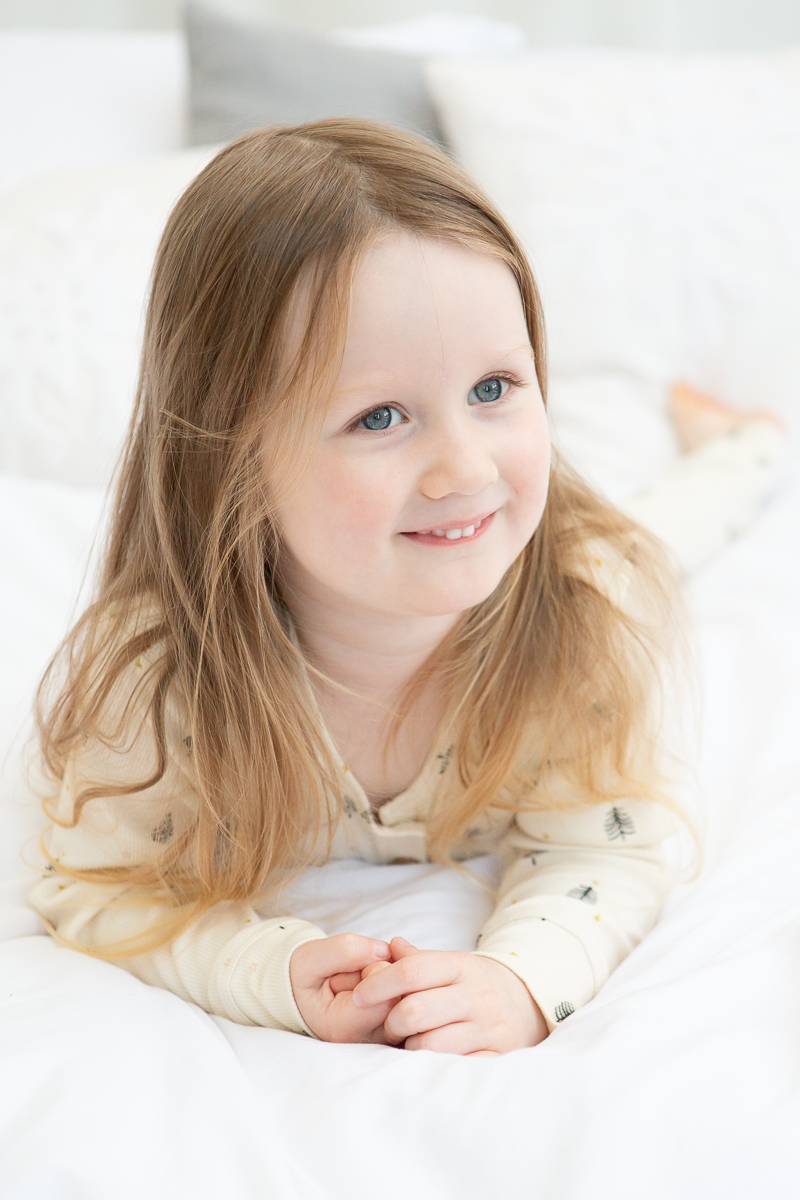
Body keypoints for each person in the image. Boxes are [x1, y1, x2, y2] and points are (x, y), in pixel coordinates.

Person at [29, 120, 786, 1057]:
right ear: (231, 457)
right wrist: (269, 970)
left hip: (583, 565)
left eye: (496, 387)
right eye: (380, 416)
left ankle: (750, 443)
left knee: (661, 535)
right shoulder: (158, 686)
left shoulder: (578, 624)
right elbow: (101, 886)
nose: (464, 469)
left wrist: (521, 980)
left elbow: (602, 848)